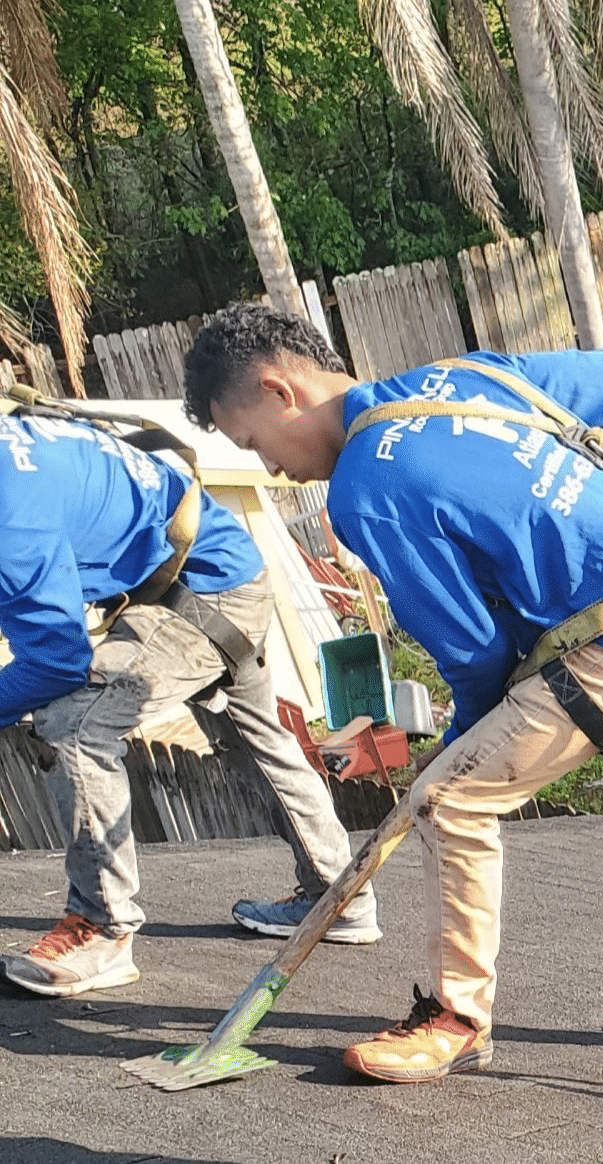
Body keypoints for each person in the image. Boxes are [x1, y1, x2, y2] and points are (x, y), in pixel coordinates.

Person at [182, 306, 603, 1083]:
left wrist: (458, 750)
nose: (267, 468)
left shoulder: (367, 486)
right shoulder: (465, 376)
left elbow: (474, 652)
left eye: (251, 444)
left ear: (278, 390)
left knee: (450, 799)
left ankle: (454, 1017)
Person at [0, 397, 379, 998]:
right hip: (222, 567)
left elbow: (56, 657)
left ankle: (103, 931)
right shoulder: (12, 443)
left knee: (73, 724)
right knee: (263, 740)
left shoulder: (9, 518)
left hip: (200, 593)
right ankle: (341, 898)